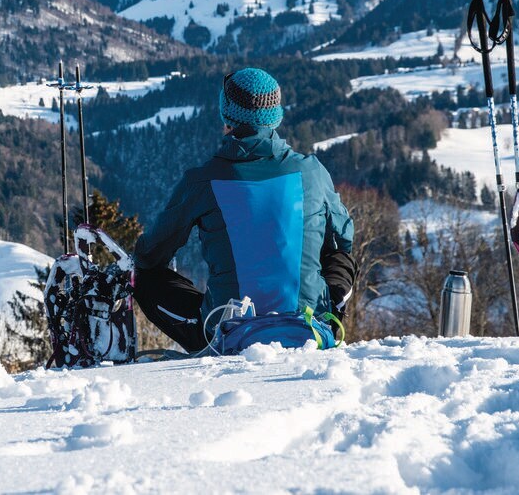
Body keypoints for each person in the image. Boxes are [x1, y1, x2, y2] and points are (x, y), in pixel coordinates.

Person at [134, 68, 356, 352]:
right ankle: (323, 311)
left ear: (227, 114)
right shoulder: (312, 171)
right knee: (338, 256)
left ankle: (215, 329)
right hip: (312, 326)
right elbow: (343, 238)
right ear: (275, 115)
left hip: (226, 332)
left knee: (143, 278)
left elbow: (149, 255)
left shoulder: (203, 181)